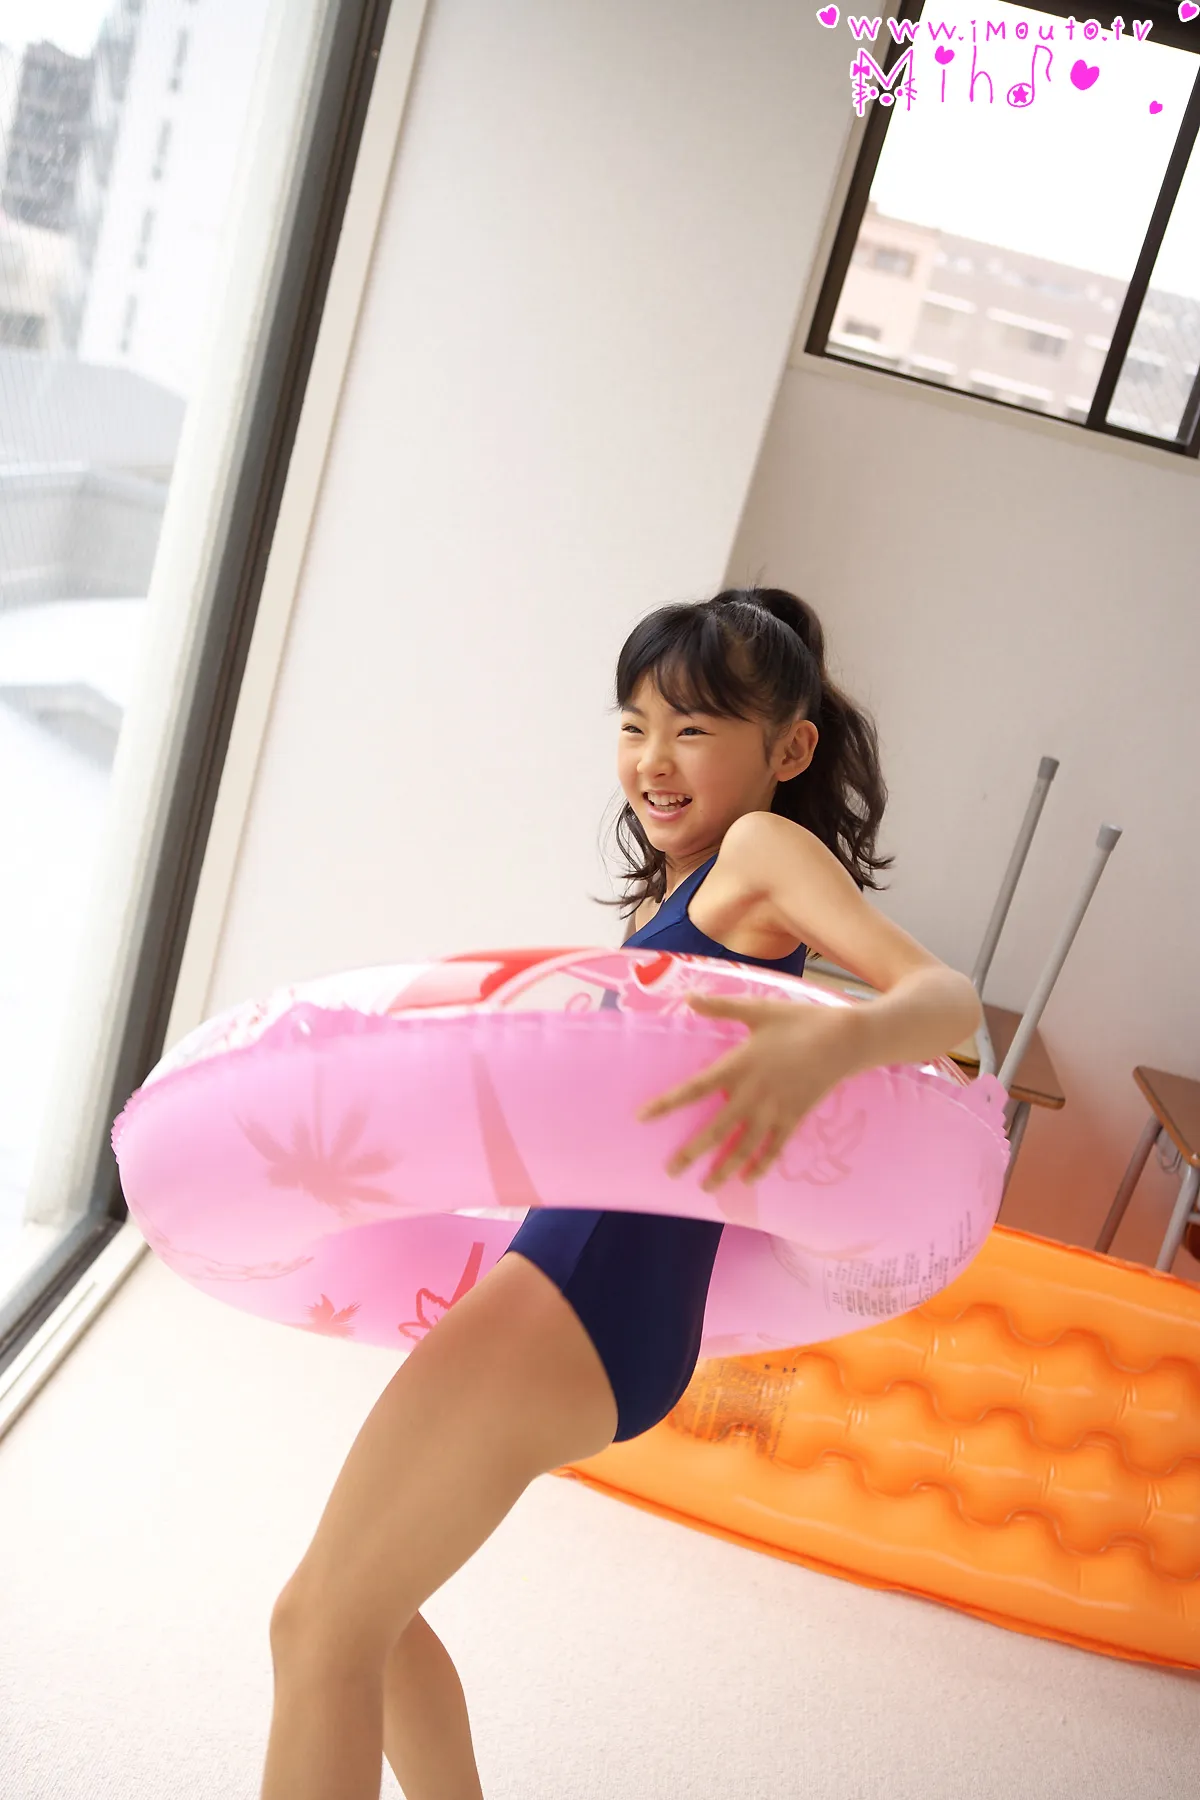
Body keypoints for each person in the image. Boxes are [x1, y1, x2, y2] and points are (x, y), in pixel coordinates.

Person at [259, 586, 982, 1800]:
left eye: (693, 729)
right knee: (355, 1619)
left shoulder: (758, 855)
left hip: (583, 1297)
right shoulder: (676, 892)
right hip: (586, 1290)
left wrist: (835, 1041)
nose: (653, 759)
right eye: (635, 724)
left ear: (789, 750)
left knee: (318, 1627)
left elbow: (949, 1009)